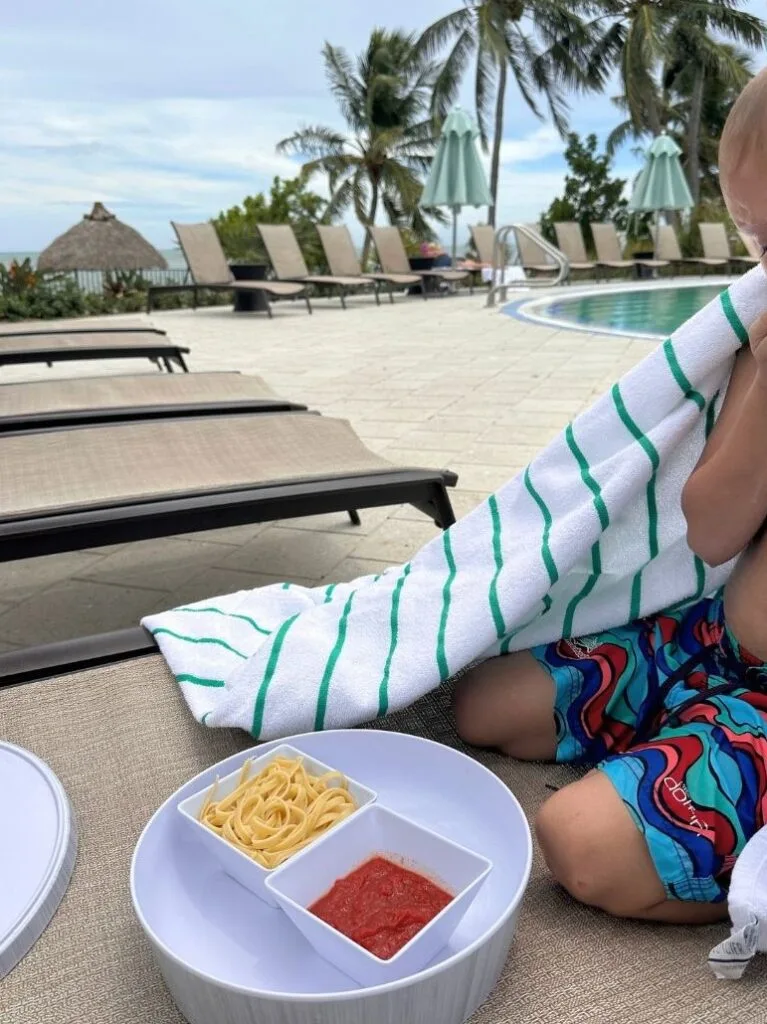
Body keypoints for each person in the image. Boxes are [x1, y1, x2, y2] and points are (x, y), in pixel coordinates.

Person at [454, 69, 767, 925]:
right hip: (712, 647)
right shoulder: (758, 345)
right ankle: (685, 734)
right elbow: (711, 530)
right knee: (486, 704)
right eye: (757, 238)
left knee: (578, 844)